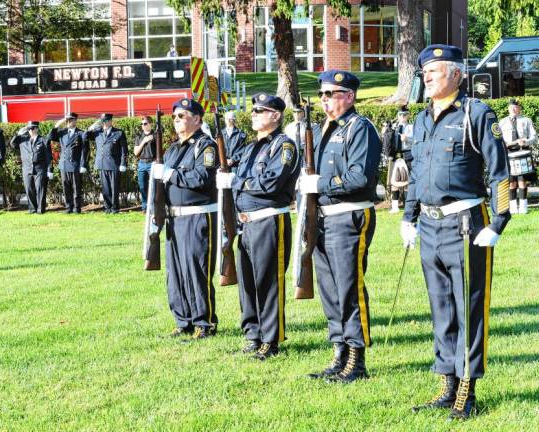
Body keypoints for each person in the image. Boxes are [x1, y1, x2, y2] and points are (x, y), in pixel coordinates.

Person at [401, 44, 511, 420]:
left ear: (457, 74)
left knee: (468, 307)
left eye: (435, 71)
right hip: (430, 225)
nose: (427, 77)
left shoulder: (475, 114)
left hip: (466, 224)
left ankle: (468, 388)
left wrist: (498, 223)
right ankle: (446, 381)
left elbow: (500, 173)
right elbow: (416, 174)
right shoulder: (421, 119)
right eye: (425, 72)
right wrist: (408, 216)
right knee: (441, 307)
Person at [298, 70, 381, 383]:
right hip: (323, 218)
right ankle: (340, 353)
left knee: (349, 288)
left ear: (349, 96)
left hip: (349, 216)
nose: (324, 99)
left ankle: (357, 360)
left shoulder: (360, 128)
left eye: (331, 93)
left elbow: (359, 177)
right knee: (330, 290)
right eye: (322, 94)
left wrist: (319, 183)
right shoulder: (324, 130)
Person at [216, 93, 300, 360]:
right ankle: (253, 333)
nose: (253, 114)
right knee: (248, 283)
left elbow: (271, 183)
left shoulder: (284, 146)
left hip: (269, 220)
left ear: (275, 115)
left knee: (268, 282)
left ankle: (271, 339)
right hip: (247, 224)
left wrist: (238, 183)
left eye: (259, 111)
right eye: (253, 111)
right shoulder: (252, 147)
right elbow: (240, 175)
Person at [152, 99, 219, 339]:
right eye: (175, 117)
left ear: (197, 118)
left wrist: (170, 174)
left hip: (197, 216)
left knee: (196, 270)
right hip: (174, 218)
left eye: (182, 115)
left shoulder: (206, 146)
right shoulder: (172, 149)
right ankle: (183, 320)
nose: (177, 120)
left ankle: (205, 322)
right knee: (176, 272)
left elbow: (202, 178)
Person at [498, 99, 538, 214]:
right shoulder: (502, 122)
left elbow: (534, 137)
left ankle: (523, 207)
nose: (514, 109)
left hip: (523, 153)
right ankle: (513, 207)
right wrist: (503, 144)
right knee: (511, 182)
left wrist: (525, 141)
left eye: (516, 107)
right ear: (508, 109)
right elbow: (498, 138)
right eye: (512, 108)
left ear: (519, 109)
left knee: (522, 181)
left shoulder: (526, 120)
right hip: (509, 154)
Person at [85, 113, 128, 214]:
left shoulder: (119, 133)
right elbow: (84, 137)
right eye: (102, 121)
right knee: (105, 188)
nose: (104, 123)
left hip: (114, 164)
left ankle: (115, 208)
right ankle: (107, 207)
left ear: (110, 121)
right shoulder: (97, 132)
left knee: (114, 187)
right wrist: (90, 128)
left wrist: (123, 163)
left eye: (106, 121)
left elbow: (124, 150)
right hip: (102, 164)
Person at [48, 113, 88, 213]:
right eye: (67, 120)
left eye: (71, 120)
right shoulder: (62, 133)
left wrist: (83, 164)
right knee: (66, 188)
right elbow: (50, 137)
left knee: (76, 188)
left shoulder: (80, 133)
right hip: (64, 164)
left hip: (75, 165)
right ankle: (68, 207)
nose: (68, 122)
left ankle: (77, 208)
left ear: (75, 121)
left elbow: (85, 151)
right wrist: (57, 125)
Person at [11, 121, 53, 214]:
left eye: (33, 128)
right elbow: (13, 144)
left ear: (37, 129)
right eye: (29, 128)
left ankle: (40, 209)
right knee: (29, 189)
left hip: (40, 168)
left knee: (40, 189)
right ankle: (32, 209)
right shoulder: (23, 139)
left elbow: (48, 157)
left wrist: (50, 169)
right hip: (27, 168)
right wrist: (18, 134)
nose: (31, 130)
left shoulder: (43, 140)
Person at [385, 107, 414, 214]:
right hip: (395, 156)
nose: (403, 117)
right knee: (394, 182)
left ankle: (408, 206)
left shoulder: (411, 127)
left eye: (405, 115)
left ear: (408, 116)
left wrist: (407, 139)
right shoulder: (393, 127)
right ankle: (395, 207)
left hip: (407, 155)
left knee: (407, 182)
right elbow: (387, 142)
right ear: (398, 116)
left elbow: (417, 141)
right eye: (401, 115)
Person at [134, 115, 156, 212]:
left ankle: (153, 206)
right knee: (142, 186)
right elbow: (136, 152)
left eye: (145, 123)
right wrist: (144, 141)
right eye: (142, 124)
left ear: (150, 124)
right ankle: (144, 206)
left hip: (152, 163)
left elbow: (160, 150)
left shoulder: (155, 135)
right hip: (142, 163)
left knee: (153, 186)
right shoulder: (139, 136)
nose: (143, 125)